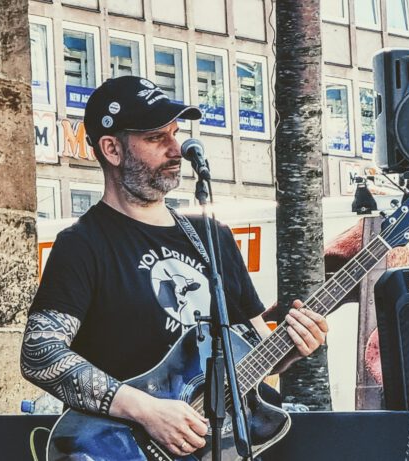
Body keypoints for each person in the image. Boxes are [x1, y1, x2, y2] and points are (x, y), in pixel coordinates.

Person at [20, 76, 329, 458]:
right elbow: (39, 352)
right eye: (155, 138)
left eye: (175, 133)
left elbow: (254, 356)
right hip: (120, 447)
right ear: (112, 149)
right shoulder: (83, 244)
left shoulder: (211, 236)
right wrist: (147, 410)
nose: (176, 149)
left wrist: (292, 348)